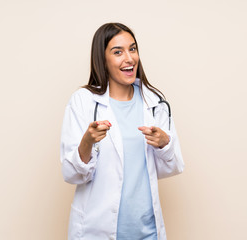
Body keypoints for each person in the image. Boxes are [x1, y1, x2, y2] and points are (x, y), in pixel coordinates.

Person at [60, 22, 184, 240]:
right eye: (118, 52)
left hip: (148, 232)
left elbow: (172, 168)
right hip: (97, 230)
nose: (129, 58)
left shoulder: (154, 102)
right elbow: (72, 174)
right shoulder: (84, 102)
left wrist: (165, 142)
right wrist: (87, 142)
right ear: (103, 59)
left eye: (132, 49)